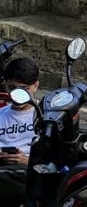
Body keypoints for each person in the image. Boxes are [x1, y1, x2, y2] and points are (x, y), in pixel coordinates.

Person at [0, 57, 39, 206]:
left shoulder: (45, 116)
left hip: (27, 173)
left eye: (24, 89)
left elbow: (56, 162)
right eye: (12, 88)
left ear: (35, 86)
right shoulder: (1, 113)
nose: (16, 96)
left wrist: (27, 160)